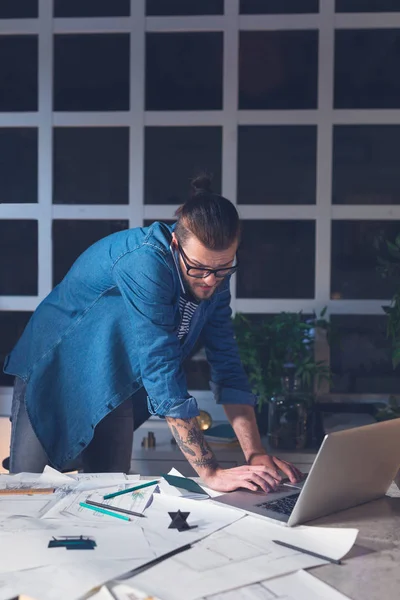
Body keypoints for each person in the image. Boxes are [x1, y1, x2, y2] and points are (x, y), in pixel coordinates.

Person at [4, 175, 302, 492]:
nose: (211, 281)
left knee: (110, 495)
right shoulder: (145, 262)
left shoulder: (214, 274)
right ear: (175, 243)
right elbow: (161, 365)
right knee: (29, 492)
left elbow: (226, 363)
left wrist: (255, 454)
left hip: (114, 379)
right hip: (55, 369)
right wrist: (211, 472)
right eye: (199, 269)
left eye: (223, 268)